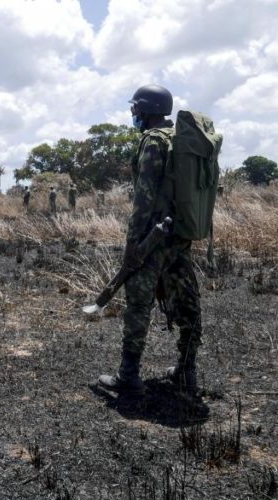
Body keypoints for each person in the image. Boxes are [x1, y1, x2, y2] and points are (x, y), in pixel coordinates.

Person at [98, 84, 202, 397]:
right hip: (180, 235)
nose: (133, 114)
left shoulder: (152, 140)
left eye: (135, 109)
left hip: (152, 239)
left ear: (146, 110)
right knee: (188, 301)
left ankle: (128, 376)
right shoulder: (183, 141)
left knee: (138, 305)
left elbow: (143, 200)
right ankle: (187, 371)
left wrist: (132, 247)